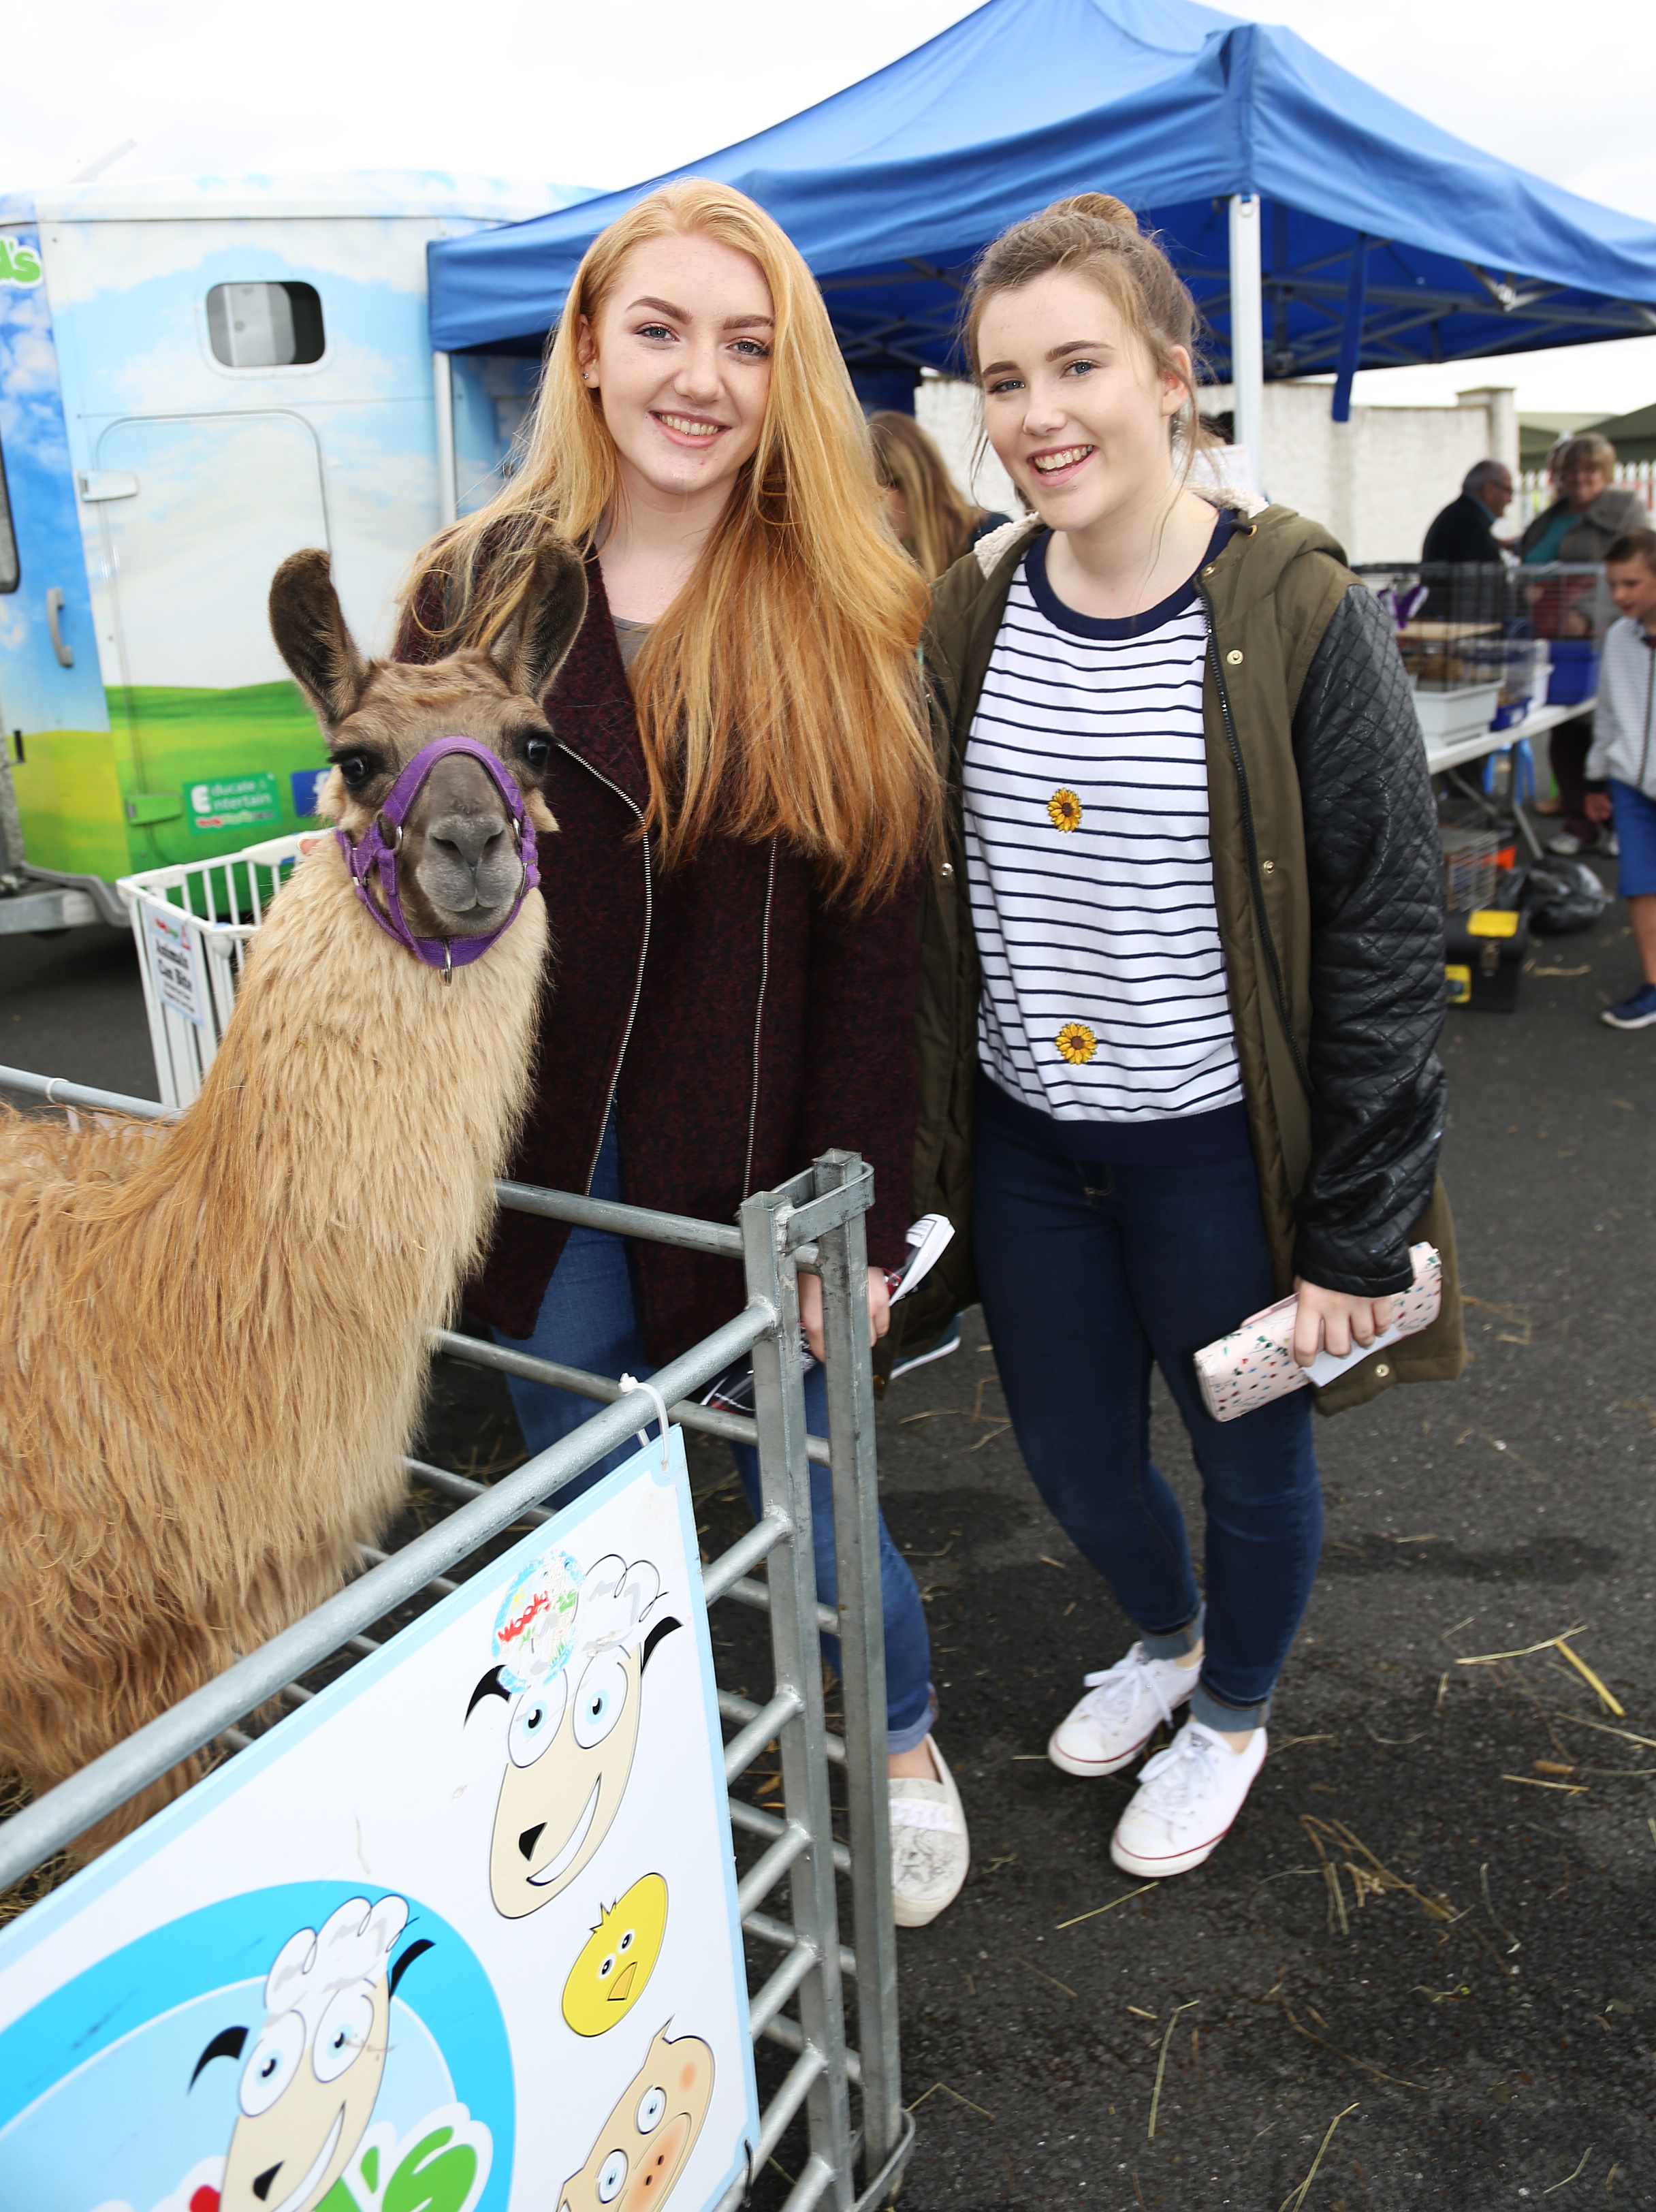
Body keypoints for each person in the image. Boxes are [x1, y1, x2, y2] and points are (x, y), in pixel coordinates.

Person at [396, 180, 969, 1926]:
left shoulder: (841, 600)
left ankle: (897, 1738)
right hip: (537, 1150)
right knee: (582, 1494)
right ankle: (624, 1780)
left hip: (752, 1161)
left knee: (805, 1482)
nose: (699, 378)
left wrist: (861, 1219)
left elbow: (877, 943)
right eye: (658, 329)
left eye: (746, 342)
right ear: (587, 347)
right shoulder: (472, 588)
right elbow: (401, 873)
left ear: (786, 374)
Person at [895, 193, 1463, 1881]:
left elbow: (1384, 925)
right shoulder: (972, 606)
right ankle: (1165, 1637)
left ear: (1167, 373)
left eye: (1076, 367)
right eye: (1003, 382)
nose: (1037, 416)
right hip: (1030, 1150)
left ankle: (1232, 1710)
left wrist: (1358, 1226)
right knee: (1073, 1459)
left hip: (1217, 1152)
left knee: (1247, 1456)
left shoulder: (1290, 601)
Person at [1519, 432, 1646, 855]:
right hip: (1551, 636)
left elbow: (1633, 570)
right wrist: (1528, 590)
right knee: (1564, 733)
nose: (1580, 478)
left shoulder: (1626, 510)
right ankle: (1580, 821)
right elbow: (1529, 566)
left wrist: (1588, 612)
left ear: (1606, 472)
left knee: (1609, 730)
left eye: (1590, 470)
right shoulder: (1549, 517)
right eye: (1571, 471)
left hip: (1603, 636)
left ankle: (1618, 823)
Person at [1584, 528, 1656, 1028]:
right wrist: (1595, 780)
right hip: (1631, 782)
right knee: (1640, 884)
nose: (1620, 594)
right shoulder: (1618, 637)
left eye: (1632, 583)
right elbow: (1607, 712)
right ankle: (1654, 986)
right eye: (1613, 584)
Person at [868, 410, 1010, 578]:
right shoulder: (876, 561)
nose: (870, 507)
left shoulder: (989, 539)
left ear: (914, 484)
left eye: (880, 487)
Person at [1421, 458, 1513, 564]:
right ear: (1489, 489)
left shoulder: (1458, 515)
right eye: (1508, 491)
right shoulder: (1471, 523)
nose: (1510, 500)